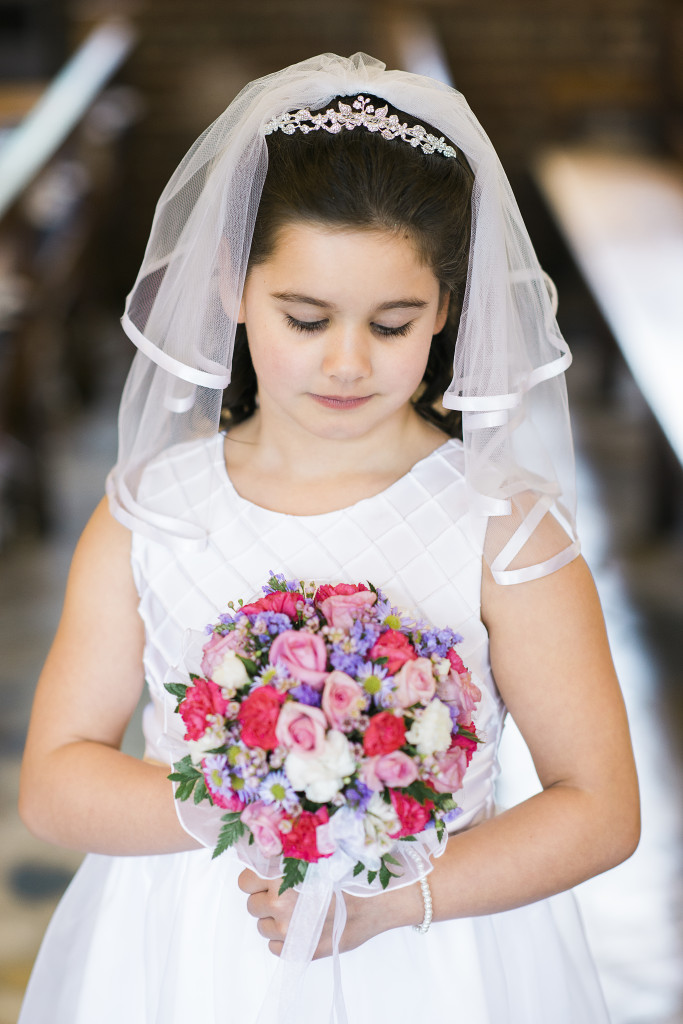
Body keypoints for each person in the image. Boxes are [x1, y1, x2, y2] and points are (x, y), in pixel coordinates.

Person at [18, 52, 639, 1023]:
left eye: (392, 324)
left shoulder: (500, 527)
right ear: (230, 282)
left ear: (444, 309)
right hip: (191, 951)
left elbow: (598, 806)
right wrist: (258, 793)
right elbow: (56, 783)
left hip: (431, 951)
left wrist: (392, 899)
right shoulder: (154, 509)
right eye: (304, 318)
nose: (345, 362)